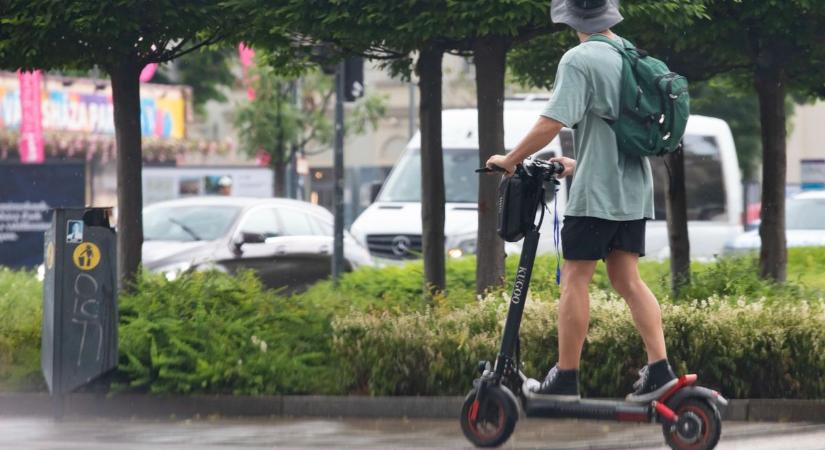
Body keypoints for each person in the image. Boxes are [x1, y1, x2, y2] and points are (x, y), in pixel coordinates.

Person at [485, 0, 676, 403]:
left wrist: (510, 159)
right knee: (628, 280)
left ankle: (566, 376)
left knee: (575, 279)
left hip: (596, 196)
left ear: (571, 18)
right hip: (632, 189)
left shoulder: (579, 59)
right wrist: (578, 163)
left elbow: (552, 121)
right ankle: (660, 368)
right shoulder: (627, 52)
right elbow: (614, 129)